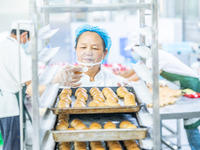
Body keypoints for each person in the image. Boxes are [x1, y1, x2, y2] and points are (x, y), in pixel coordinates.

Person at [118, 49, 200, 150]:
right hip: (183, 85)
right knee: (189, 124)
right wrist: (121, 78)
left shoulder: (155, 57)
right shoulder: (148, 57)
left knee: (191, 124)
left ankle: (196, 147)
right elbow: (136, 70)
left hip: (192, 84)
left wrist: (123, 83)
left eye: (133, 50)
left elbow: (142, 74)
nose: (132, 52)